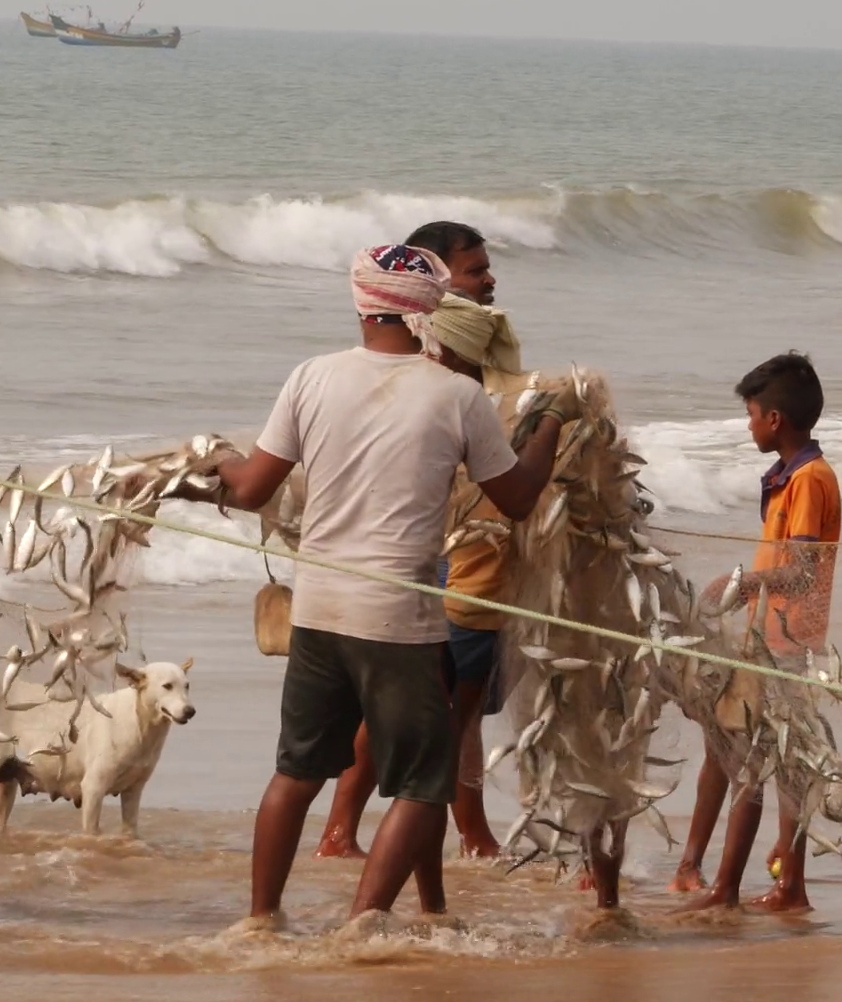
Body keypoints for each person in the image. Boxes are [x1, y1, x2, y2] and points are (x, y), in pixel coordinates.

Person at [206, 244, 574, 927]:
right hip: (399, 619)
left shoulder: (311, 376)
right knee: (424, 784)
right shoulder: (457, 395)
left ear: (361, 303)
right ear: (431, 310)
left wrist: (218, 463)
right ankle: (364, 922)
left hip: (318, 609)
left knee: (296, 772)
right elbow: (519, 497)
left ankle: (260, 920)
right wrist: (552, 420)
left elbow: (252, 488)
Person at [315, 222, 526, 862]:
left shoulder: (460, 369)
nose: (489, 279)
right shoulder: (443, 378)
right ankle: (461, 837)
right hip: (449, 570)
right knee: (444, 713)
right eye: (474, 270)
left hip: (457, 568)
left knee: (424, 711)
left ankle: (353, 833)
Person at [674, 352, 840, 912]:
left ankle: (731, 890)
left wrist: (743, 584)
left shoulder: (810, 480)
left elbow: (804, 572)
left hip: (787, 644)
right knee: (767, 760)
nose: (748, 426)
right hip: (767, 640)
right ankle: (783, 884)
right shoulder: (791, 476)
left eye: (751, 415)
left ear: (774, 419)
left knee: (755, 763)